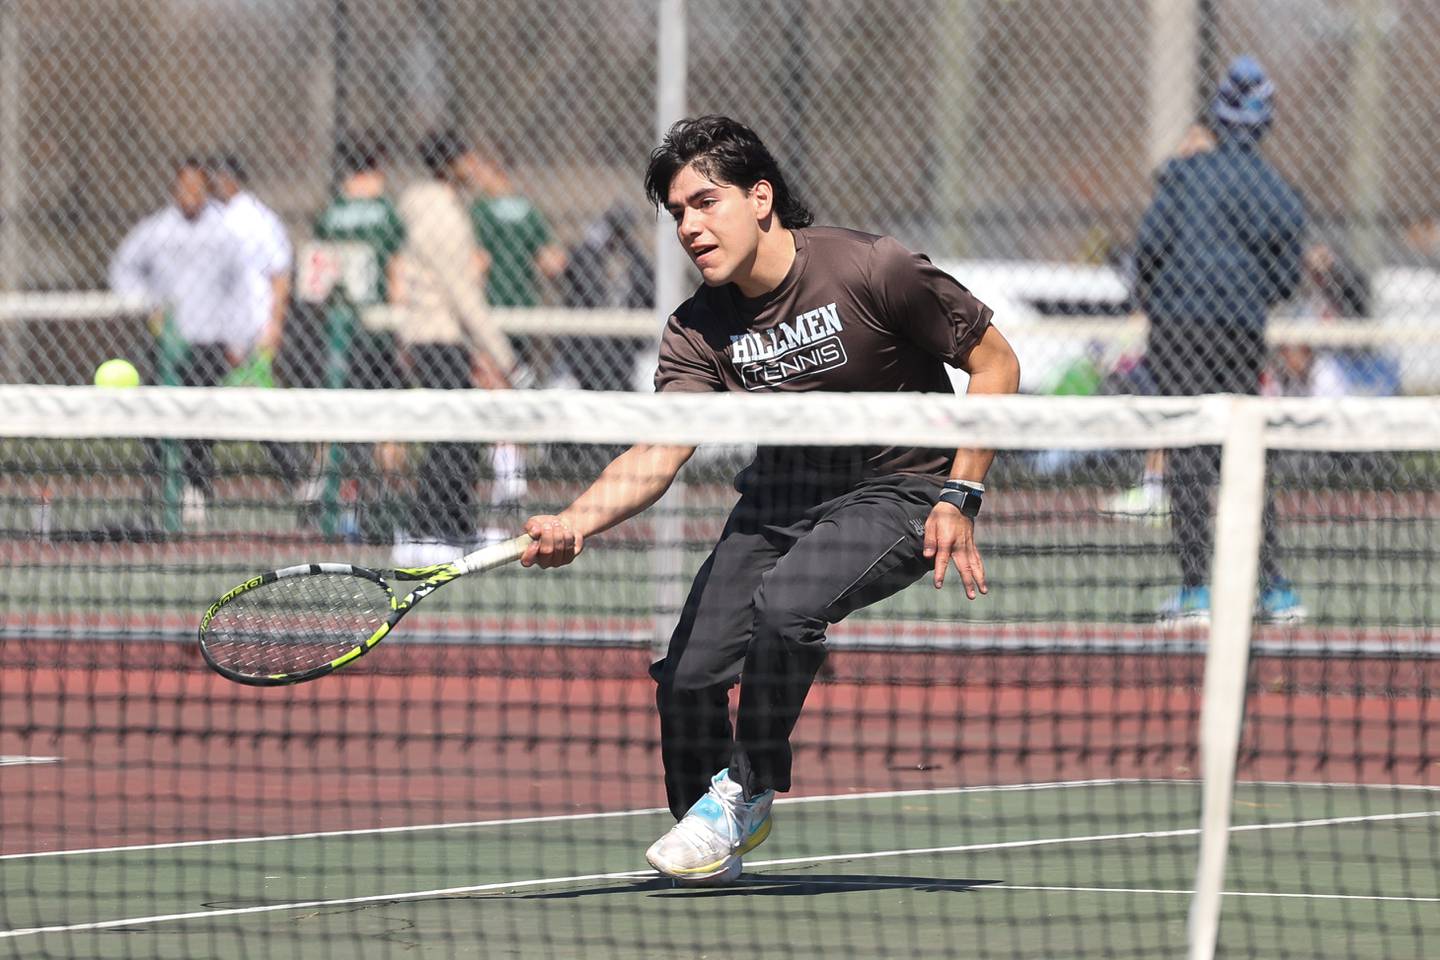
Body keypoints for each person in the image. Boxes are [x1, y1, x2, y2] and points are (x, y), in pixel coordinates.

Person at [518, 116, 1020, 885]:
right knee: (686, 675)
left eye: (705, 202)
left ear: (761, 197)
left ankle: (749, 786)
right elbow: (660, 452)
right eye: (677, 212)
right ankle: (708, 836)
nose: (689, 225)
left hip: (901, 488)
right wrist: (573, 522)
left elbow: (995, 362)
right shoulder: (696, 331)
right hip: (781, 498)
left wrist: (961, 492)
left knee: (787, 608)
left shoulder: (872, 268)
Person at [1134, 56, 1306, 623]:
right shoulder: (1277, 190)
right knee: (1243, 453)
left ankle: (1197, 591)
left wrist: (1162, 302)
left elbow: (1147, 255)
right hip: (1238, 332)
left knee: (1187, 452)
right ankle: (1274, 589)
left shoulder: (1182, 177)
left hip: (1178, 332)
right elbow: (1285, 277)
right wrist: (1244, 298)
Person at [391, 130, 525, 565]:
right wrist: (505, 357)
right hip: (438, 335)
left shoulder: (437, 207)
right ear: (453, 164)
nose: (475, 167)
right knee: (454, 436)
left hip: (437, 335)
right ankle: (430, 530)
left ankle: (456, 526)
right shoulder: (443, 215)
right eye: (468, 158)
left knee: (460, 431)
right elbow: (462, 293)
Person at [108, 158, 250, 525]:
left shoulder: (223, 232)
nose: (190, 194)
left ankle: (197, 489)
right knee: (158, 416)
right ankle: (165, 485)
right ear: (174, 190)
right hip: (166, 346)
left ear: (206, 190)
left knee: (201, 421)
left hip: (208, 343)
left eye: (197, 187)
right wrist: (145, 304)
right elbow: (123, 268)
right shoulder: (156, 230)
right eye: (184, 186)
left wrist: (238, 336)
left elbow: (240, 286)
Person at [303, 130, 409, 540]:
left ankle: (326, 491)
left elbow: (318, 280)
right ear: (378, 164)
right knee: (389, 419)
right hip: (377, 333)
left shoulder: (329, 214)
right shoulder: (387, 213)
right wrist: (400, 332)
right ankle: (385, 501)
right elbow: (396, 275)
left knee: (336, 413)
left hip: (338, 333)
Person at [207, 153, 304, 495]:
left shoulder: (259, 219)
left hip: (254, 332)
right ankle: (194, 485)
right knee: (203, 409)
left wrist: (272, 328)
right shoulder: (208, 220)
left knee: (263, 411)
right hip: (216, 333)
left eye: (219, 178)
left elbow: (280, 275)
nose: (214, 185)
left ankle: (297, 479)